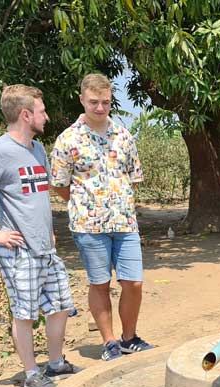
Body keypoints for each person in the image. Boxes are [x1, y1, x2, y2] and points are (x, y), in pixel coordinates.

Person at [0, 85, 78, 387]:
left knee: (60, 306)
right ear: (26, 115)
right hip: (18, 250)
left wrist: (46, 227)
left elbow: (38, 194)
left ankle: (55, 362)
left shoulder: (36, 149)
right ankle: (32, 373)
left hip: (44, 247)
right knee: (24, 313)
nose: (47, 117)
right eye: (42, 111)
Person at [50, 73, 152, 361]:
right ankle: (108, 342)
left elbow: (132, 178)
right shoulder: (67, 140)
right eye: (93, 102)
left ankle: (129, 338)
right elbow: (59, 184)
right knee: (100, 283)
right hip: (88, 225)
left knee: (133, 283)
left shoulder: (123, 135)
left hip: (124, 222)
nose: (99, 108)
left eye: (105, 102)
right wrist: (84, 203)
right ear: (82, 99)